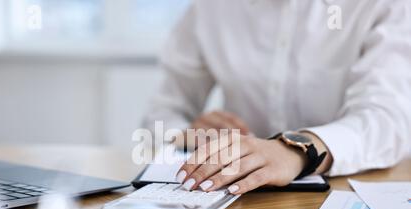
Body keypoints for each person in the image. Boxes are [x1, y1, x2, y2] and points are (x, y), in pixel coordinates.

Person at [142, 0, 411, 195]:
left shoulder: (384, 6)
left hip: (352, 193)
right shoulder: (209, 9)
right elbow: (158, 117)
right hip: (240, 202)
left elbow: (388, 121)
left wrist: (296, 150)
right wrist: (187, 136)